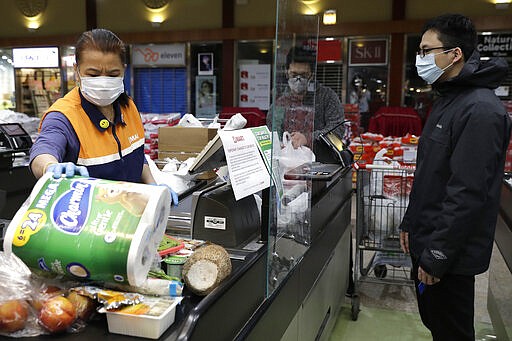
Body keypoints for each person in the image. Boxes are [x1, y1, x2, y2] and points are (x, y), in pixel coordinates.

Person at [399, 14, 511, 340]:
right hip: (429, 235)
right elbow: (431, 175)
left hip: (451, 254)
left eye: (426, 50)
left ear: (454, 54)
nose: (420, 59)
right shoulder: (448, 100)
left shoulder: (480, 111)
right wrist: (411, 221)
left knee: (451, 330)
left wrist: (437, 254)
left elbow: (467, 193)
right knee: (435, 322)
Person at [29, 28, 178, 205]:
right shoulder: (63, 116)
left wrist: (153, 187)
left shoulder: (128, 107)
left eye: (113, 74)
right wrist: (50, 167)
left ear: (123, 70)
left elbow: (137, 156)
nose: (104, 81)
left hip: (130, 216)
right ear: (77, 71)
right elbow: (44, 148)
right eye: (93, 74)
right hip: (86, 222)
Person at [268, 45, 345, 163]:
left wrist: (307, 138)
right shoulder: (280, 103)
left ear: (312, 75)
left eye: (303, 75)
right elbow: (271, 134)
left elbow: (337, 131)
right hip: (289, 168)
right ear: (286, 72)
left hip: (321, 165)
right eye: (293, 74)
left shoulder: (327, 97)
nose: (298, 80)